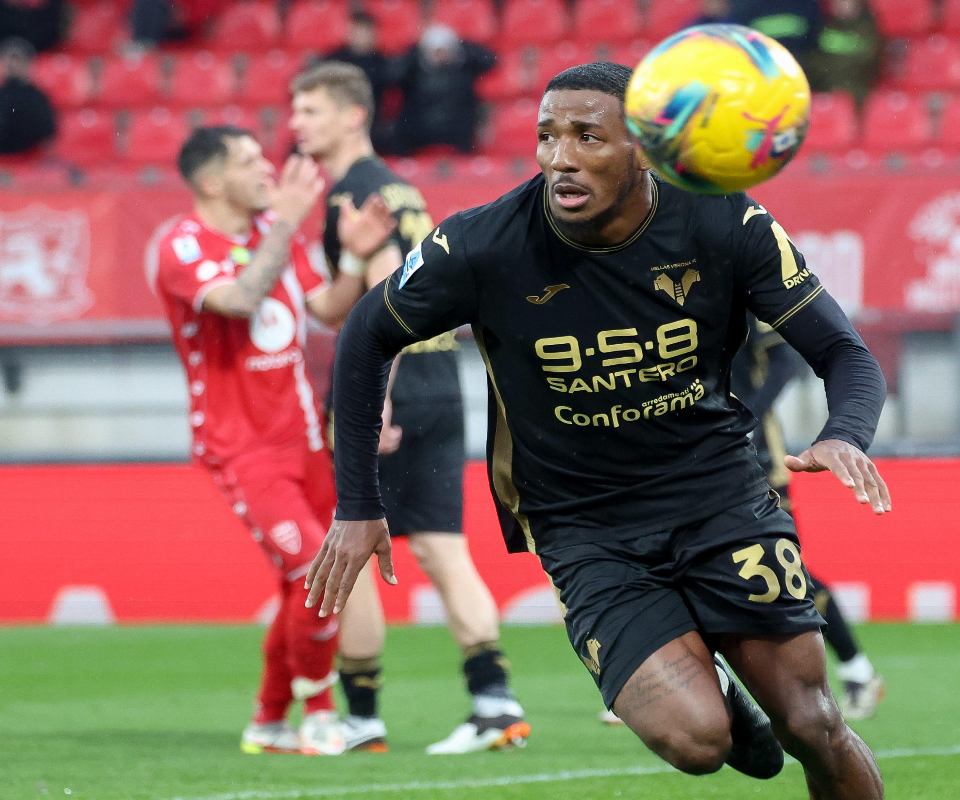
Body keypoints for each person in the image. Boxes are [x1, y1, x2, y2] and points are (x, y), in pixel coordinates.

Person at [307, 61, 890, 795]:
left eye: (588, 136)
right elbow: (367, 332)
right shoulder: (484, 244)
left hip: (719, 499)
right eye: (547, 135)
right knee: (697, 741)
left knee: (811, 722)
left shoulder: (722, 220)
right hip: (584, 526)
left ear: (642, 147)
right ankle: (716, 689)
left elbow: (843, 352)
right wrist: (358, 505)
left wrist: (846, 432)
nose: (560, 157)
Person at [289, 61, 529, 755]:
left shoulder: (355, 192)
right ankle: (495, 703)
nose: (298, 123)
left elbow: (381, 309)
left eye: (310, 110)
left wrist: (376, 407)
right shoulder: (396, 188)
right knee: (443, 549)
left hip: (388, 388)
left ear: (352, 116)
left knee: (354, 548)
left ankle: (362, 717)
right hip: (440, 379)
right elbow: (350, 299)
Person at [148, 125, 394, 756]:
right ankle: (320, 712)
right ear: (212, 182)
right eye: (249, 162)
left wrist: (356, 260)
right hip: (243, 447)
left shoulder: (268, 231)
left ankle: (268, 719)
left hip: (305, 438)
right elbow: (239, 299)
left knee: (306, 583)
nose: (268, 171)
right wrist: (285, 222)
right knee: (314, 571)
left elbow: (326, 309)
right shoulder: (180, 244)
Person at [731, 317, 884, 720]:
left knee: (784, 571)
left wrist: (746, 417)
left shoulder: (739, 294)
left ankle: (857, 669)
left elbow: (785, 363)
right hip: (692, 460)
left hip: (757, 459)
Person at [391, 23, 496, 155]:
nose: (441, 56)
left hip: (456, 129)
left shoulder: (464, 69)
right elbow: (391, 75)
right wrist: (413, 53)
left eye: (445, 50)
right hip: (421, 129)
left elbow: (490, 60)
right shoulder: (413, 71)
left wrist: (464, 47)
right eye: (436, 51)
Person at [321, 10, 393, 150]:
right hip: (337, 118)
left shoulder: (382, 62)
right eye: (357, 31)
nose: (361, 37)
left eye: (365, 32)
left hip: (371, 123)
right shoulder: (333, 60)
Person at [802, 0, 882, 109]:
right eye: (837, 2)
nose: (841, 5)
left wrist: (832, 65)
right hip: (825, 88)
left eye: (846, 2)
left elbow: (869, 60)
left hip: (856, 92)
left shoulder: (868, 29)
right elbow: (815, 59)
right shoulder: (825, 28)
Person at [0, 37, 55, 154]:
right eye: (9, 61)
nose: (13, 65)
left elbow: (46, 132)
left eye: (18, 61)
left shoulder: (38, 98)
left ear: (29, 64)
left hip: (31, 158)